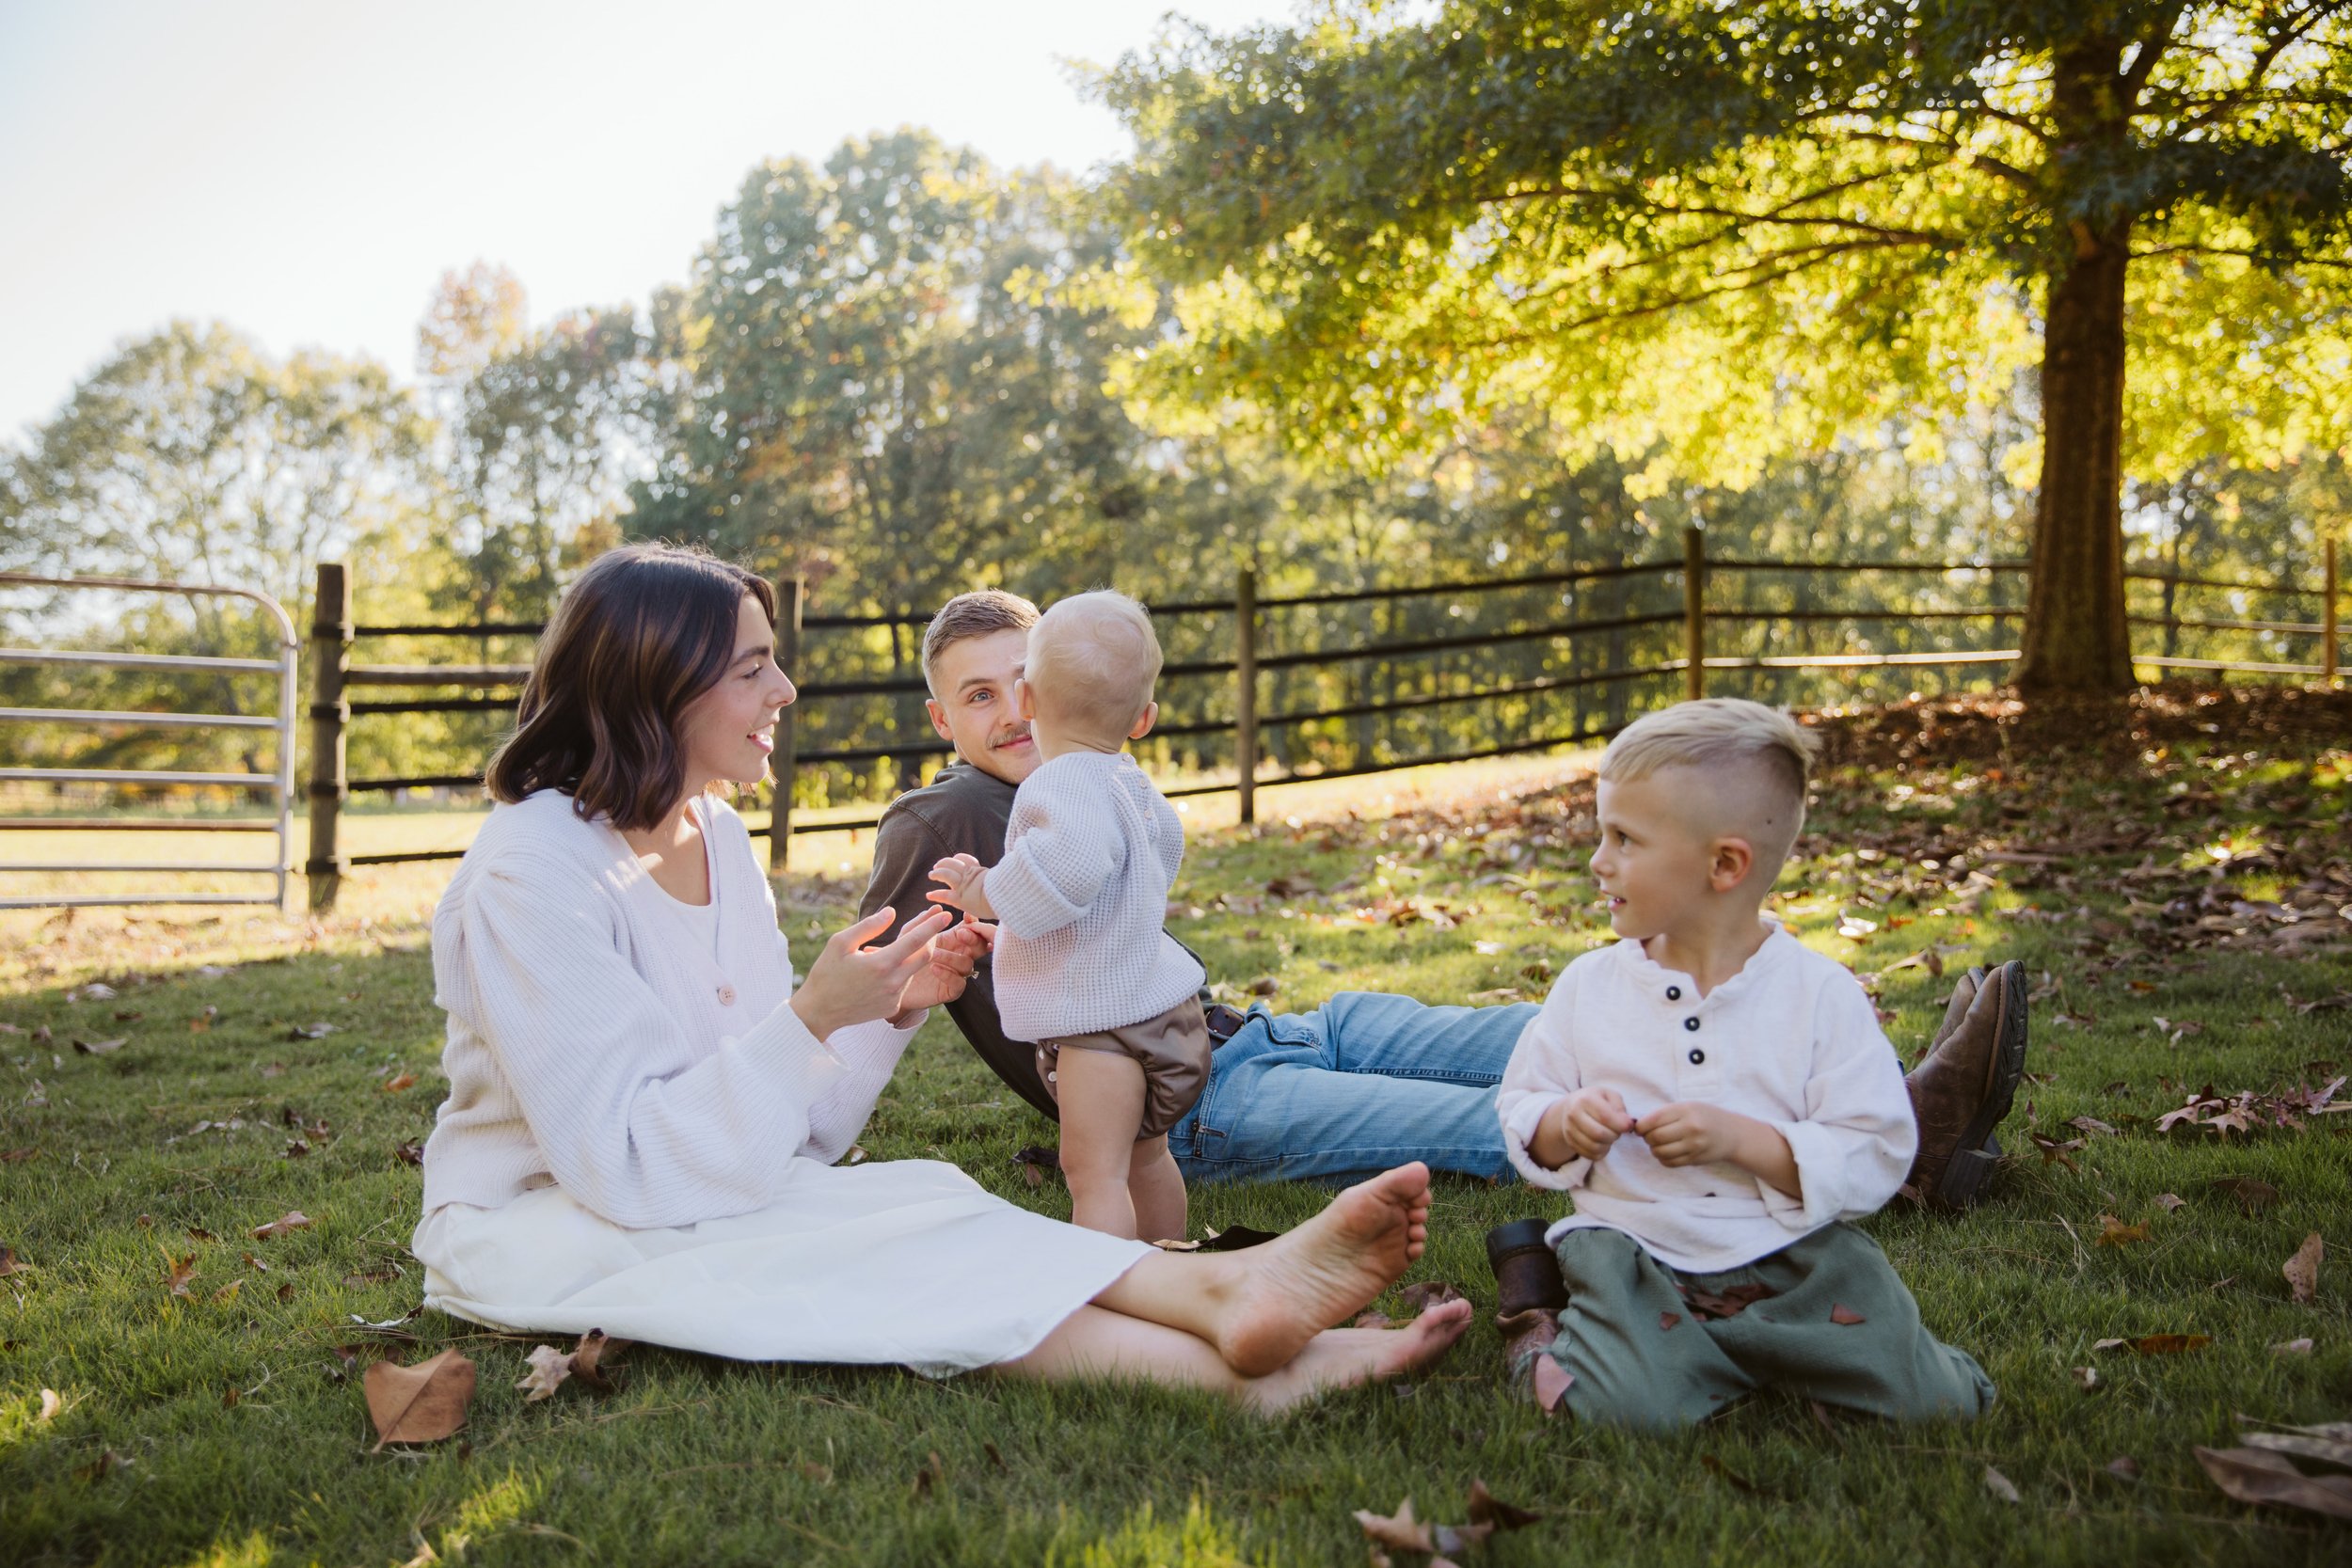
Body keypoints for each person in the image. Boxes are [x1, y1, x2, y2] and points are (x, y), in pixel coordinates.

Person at [410, 543, 1470, 1413]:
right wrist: (811, 1016)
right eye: (752, 667)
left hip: (704, 1189)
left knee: (915, 1195)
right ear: (658, 683)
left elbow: (786, 1139)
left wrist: (885, 1011)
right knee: (821, 1251)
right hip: (542, 1221)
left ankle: (1220, 1294)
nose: (785, 689)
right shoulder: (529, 874)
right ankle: (1228, 1354)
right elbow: (631, 1170)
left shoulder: (718, 835)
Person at [859, 591, 2029, 1196]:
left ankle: (1847, 1080)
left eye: (1023, 678)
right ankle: (1896, 1152)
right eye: (977, 695)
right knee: (1506, 1120)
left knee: (1528, 1029)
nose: (1011, 709)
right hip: (1198, 1105)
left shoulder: (1098, 773)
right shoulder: (939, 821)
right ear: (939, 717)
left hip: (1263, 1029)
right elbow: (873, 989)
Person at [1495, 699, 1994, 1428]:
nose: (1598, 860)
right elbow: (1522, 1103)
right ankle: (1536, 1314)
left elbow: (1875, 1148)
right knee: (1613, 1409)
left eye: (1624, 838)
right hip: (1637, 1259)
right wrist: (1564, 1122)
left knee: (1938, 1405)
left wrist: (1743, 1140)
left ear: (1725, 863)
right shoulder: (1588, 988)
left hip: (1795, 1260)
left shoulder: (1819, 995)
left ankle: (1769, 1354)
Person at [928, 591, 1210, 1241]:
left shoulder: (1058, 782)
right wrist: (1025, 929)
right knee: (1148, 1159)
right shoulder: (1129, 779)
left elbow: (1066, 869)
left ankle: (1111, 1284)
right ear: (1144, 718)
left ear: (1028, 700)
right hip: (1164, 1012)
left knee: (1095, 1174)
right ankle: (1168, 1262)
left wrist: (985, 890)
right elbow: (1151, 862)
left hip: (1102, 1030)